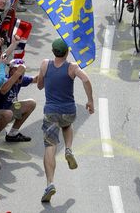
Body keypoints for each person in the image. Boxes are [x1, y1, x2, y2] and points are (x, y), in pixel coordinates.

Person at [37, 38, 94, 203]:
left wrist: (42, 79)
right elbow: (86, 80)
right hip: (68, 111)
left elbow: (40, 85)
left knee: (50, 146)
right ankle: (69, 149)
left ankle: (50, 184)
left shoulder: (45, 64)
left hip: (50, 112)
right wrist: (90, 101)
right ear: (67, 52)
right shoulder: (72, 67)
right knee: (67, 125)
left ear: (53, 51)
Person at [0, 58, 37, 142]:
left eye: (22, 70)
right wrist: (17, 74)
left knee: (31, 103)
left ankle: (13, 134)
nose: (21, 73)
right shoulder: (4, 80)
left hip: (7, 111)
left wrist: (48, 71)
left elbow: (36, 79)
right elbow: (3, 90)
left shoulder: (19, 80)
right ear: (10, 71)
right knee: (8, 114)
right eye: (17, 69)